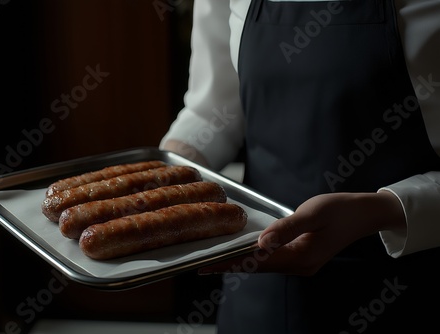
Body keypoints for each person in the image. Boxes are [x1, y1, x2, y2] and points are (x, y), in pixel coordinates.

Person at [159, 0, 440, 333]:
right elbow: (214, 112)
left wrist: (384, 210)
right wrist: (162, 178)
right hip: (260, 286)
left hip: (411, 291)